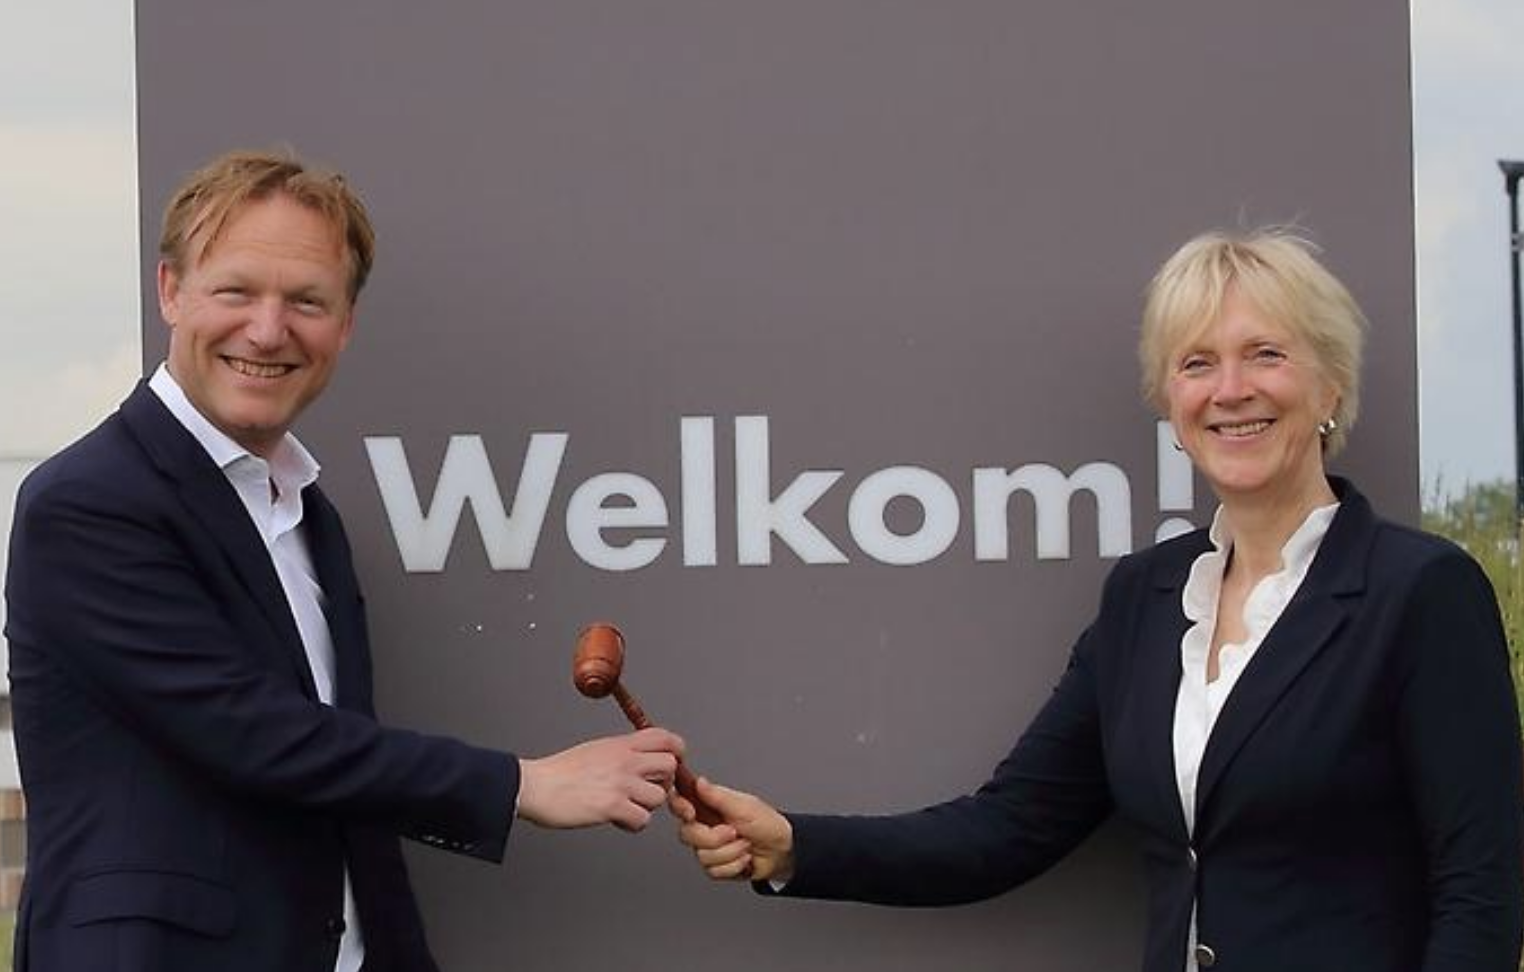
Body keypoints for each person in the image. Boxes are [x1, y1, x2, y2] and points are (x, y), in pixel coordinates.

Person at [673, 229, 1524, 972]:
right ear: (1171, 404)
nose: (1230, 389)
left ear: (1331, 386)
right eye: (1197, 364)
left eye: (1266, 354)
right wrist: (794, 845)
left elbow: (1482, 893)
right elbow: (1008, 827)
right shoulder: (1144, 600)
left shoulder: (1420, 592)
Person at [3, 148, 685, 972]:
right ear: (171, 291)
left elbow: (343, 782)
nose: (268, 330)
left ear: (346, 323)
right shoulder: (88, 502)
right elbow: (255, 736)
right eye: (236, 291)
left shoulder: (307, 513)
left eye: (306, 301)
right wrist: (524, 785)